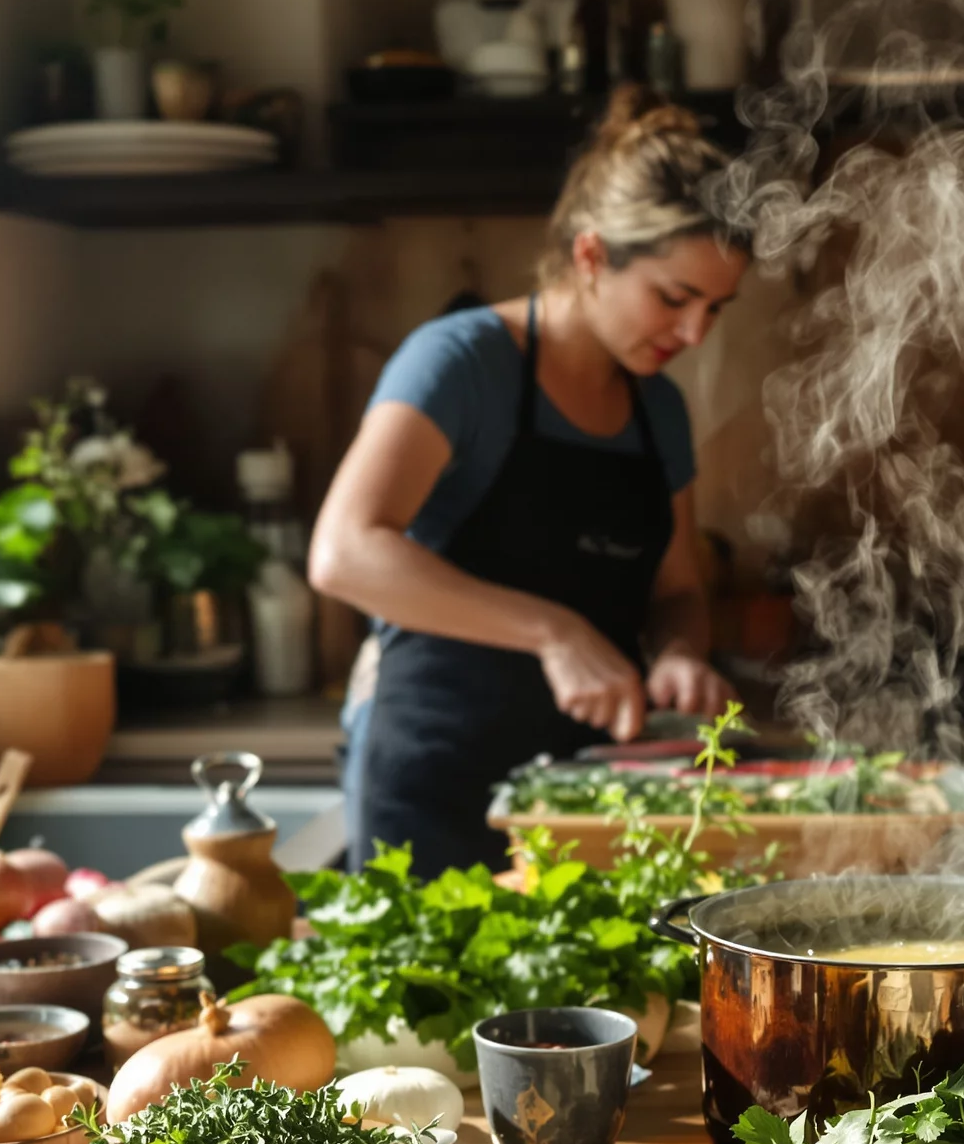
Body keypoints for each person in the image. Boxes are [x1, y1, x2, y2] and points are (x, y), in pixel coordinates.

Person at [310, 86, 749, 875]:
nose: (693, 333)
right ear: (589, 256)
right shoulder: (462, 361)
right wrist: (556, 631)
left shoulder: (659, 410)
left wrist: (681, 651)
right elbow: (344, 552)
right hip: (435, 783)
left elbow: (678, 587)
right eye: (674, 299)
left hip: (586, 803)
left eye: (716, 309)